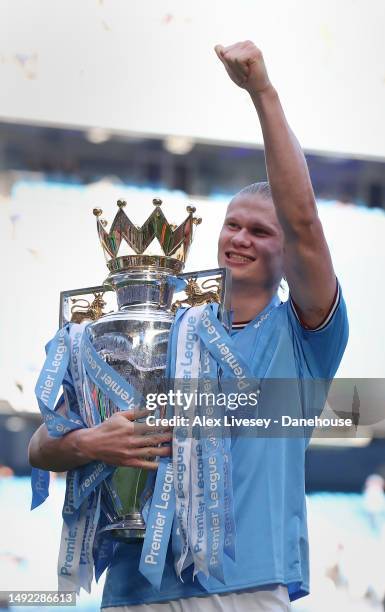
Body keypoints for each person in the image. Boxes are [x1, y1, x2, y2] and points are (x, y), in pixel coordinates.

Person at [29, 41, 349, 611]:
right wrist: (88, 441)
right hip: (132, 586)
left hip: (242, 587)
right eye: (232, 226)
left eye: (260, 231)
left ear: (288, 253)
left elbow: (302, 217)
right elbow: (40, 446)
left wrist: (262, 94)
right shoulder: (159, 338)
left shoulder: (303, 338)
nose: (240, 239)